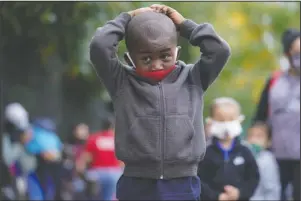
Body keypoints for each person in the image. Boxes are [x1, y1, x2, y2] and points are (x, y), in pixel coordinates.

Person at [89, 4, 231, 200]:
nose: (156, 64)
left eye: (165, 56)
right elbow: (99, 46)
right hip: (136, 183)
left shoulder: (193, 78)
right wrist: (128, 17)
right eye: (146, 58)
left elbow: (219, 50)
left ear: (177, 52)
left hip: (183, 182)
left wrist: (184, 26)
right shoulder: (121, 82)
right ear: (130, 59)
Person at [253, 28, 300, 201]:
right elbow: (260, 116)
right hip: (275, 155)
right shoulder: (275, 80)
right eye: (296, 53)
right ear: (287, 53)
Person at [198, 97, 259, 201]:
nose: (226, 125)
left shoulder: (245, 151)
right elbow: (199, 180)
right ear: (211, 121)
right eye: (221, 120)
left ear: (239, 121)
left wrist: (240, 193)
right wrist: (216, 196)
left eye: (231, 119)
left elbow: (253, 177)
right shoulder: (205, 151)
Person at [77, 117, 122, 201]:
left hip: (97, 172)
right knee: (110, 197)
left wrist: (80, 171)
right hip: (114, 173)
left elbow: (87, 158)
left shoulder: (94, 138)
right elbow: (122, 160)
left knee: (94, 197)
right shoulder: (118, 139)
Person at [247, 122, 281, 200]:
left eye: (259, 136)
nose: (253, 140)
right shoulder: (242, 156)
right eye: (250, 136)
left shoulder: (267, 159)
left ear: (268, 142)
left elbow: (272, 189)